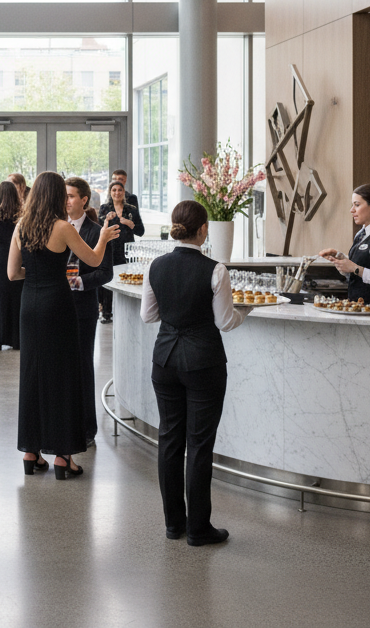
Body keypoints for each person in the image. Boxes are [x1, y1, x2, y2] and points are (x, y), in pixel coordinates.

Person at [140, 199, 245, 546]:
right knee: (199, 445)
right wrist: (246, 313)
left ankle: (174, 524)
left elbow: (148, 316)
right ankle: (198, 529)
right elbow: (225, 321)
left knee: (169, 440)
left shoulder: (155, 265)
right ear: (203, 230)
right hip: (203, 363)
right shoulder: (216, 270)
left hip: (165, 360)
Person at [9, 171, 118, 479]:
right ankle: (62, 456)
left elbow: (12, 273)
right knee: (62, 377)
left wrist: (35, 275)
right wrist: (104, 238)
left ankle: (31, 453)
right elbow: (94, 260)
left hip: (29, 305)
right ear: (57, 195)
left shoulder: (21, 226)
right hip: (57, 304)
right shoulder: (62, 227)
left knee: (32, 374)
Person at [64, 176, 114, 447]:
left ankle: (86, 429)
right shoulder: (56, 227)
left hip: (82, 308)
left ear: (84, 200)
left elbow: (105, 272)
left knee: (83, 368)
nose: (66, 201)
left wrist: (79, 282)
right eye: (64, 196)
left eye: (71, 196)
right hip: (57, 307)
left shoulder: (97, 232)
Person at [319, 184, 370, 308]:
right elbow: (360, 270)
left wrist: (355, 268)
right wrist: (341, 259)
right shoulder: (361, 233)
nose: (351, 210)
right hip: (362, 309)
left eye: (357, 205)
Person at [97, 180, 144, 323]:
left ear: (124, 192)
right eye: (114, 190)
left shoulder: (131, 209)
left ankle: (127, 313)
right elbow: (98, 230)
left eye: (120, 190)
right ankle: (106, 313)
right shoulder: (105, 209)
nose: (117, 193)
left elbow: (141, 231)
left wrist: (131, 224)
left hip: (127, 251)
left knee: (127, 278)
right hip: (109, 249)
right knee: (108, 279)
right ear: (110, 192)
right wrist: (106, 221)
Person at [0, 180, 22, 350]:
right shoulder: (21, 213)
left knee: (0, 297)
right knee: (17, 296)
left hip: (1, 257)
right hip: (18, 255)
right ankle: (17, 338)